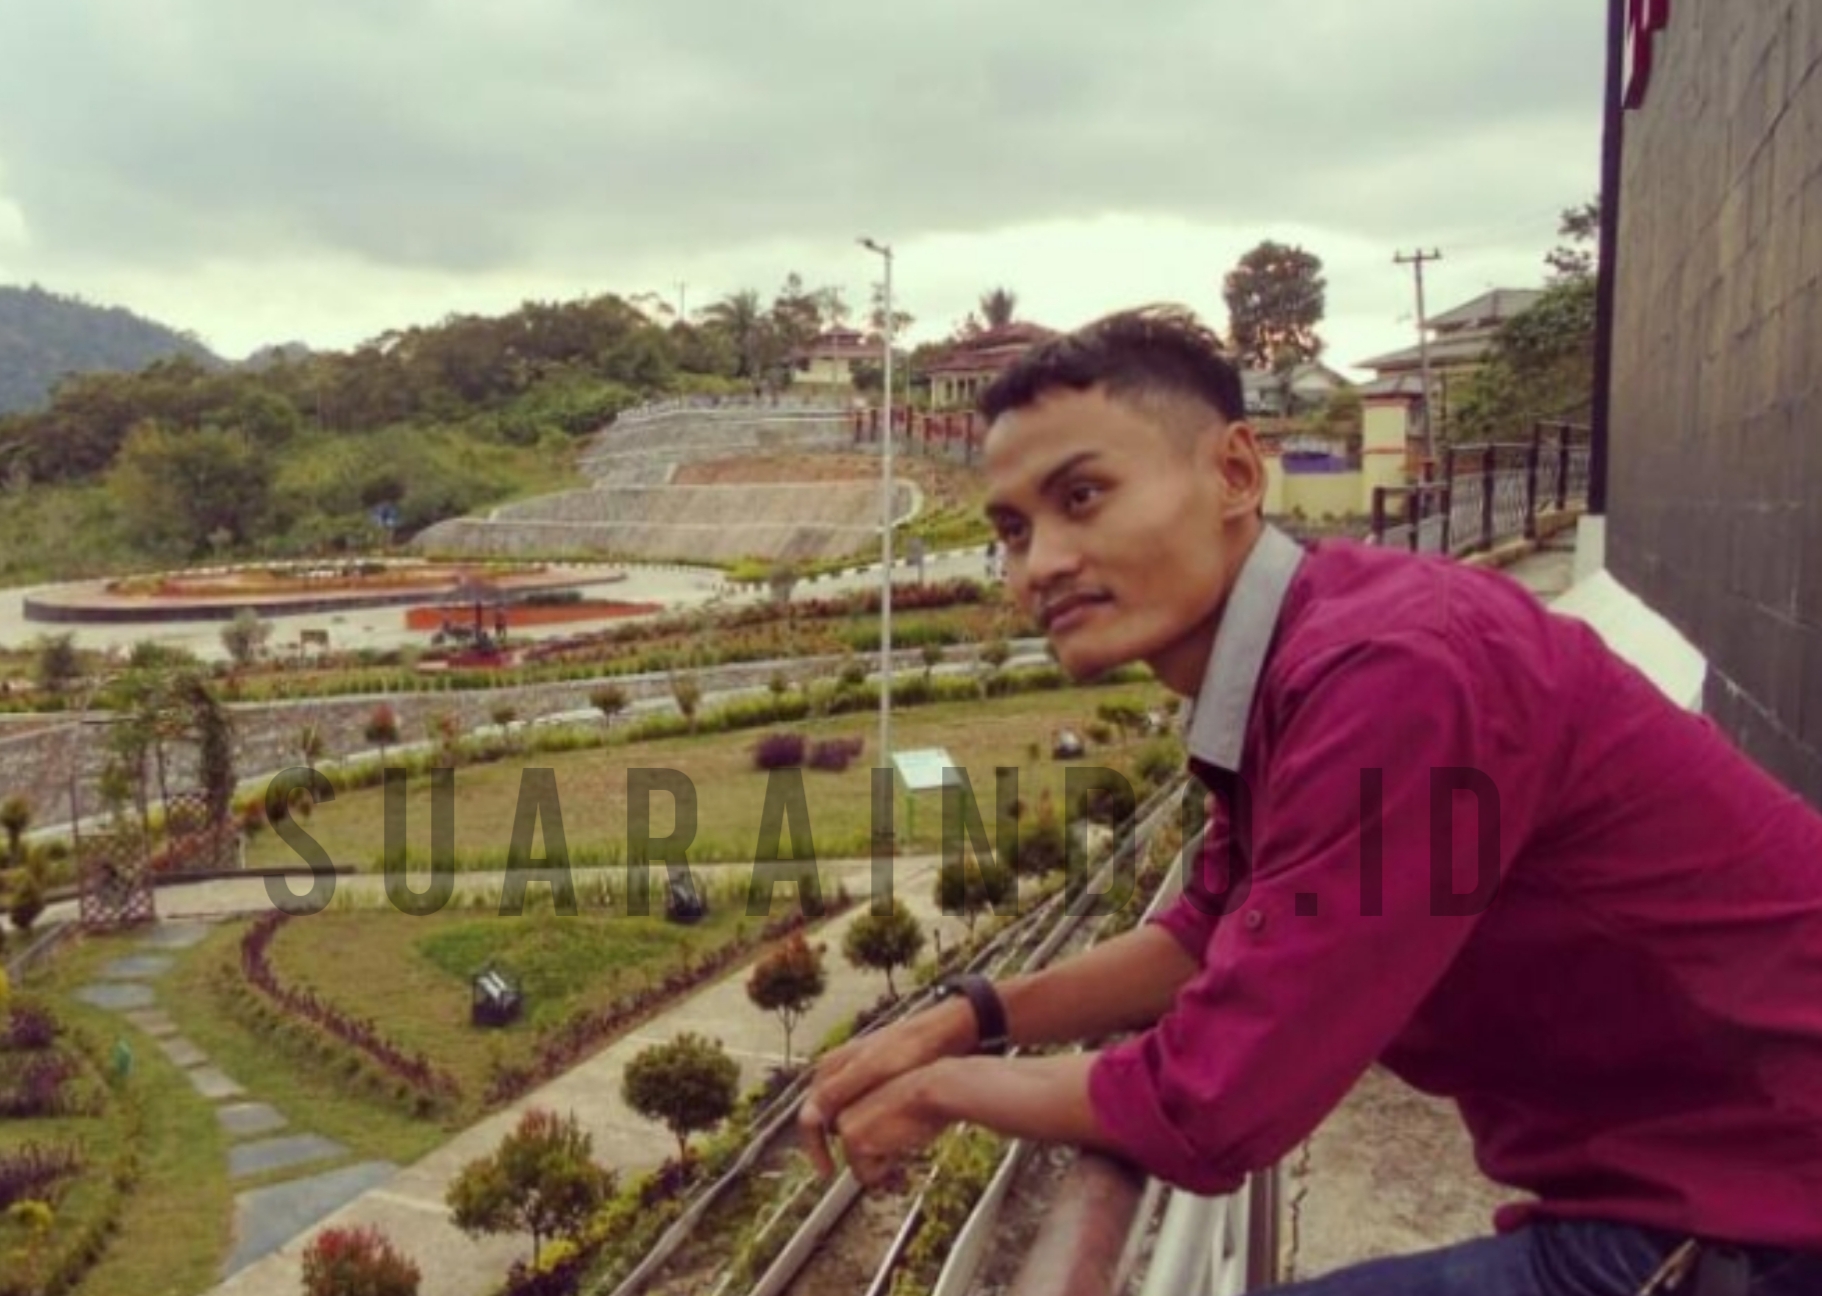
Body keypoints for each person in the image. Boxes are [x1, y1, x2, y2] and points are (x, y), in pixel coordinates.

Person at [799, 307, 1822, 1294]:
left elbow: (1211, 1103)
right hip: (1691, 1195)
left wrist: (945, 1090)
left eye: (1084, 496)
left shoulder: (1393, 672)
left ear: (1236, 474)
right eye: (1015, 531)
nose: (1044, 564)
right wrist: (965, 1019)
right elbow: (1209, 929)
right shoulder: (1304, 656)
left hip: (1761, 1221)